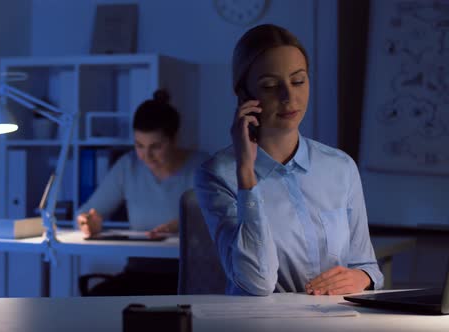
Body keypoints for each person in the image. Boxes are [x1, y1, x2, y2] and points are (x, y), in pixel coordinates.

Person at [194, 24, 383, 296]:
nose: (289, 97)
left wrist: (360, 277)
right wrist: (246, 174)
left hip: (335, 321)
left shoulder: (340, 167)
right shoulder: (217, 174)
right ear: (245, 95)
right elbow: (256, 283)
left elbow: (368, 266)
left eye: (298, 81)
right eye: (270, 86)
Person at [76, 89, 208, 296]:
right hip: (139, 272)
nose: (146, 156)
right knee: (94, 301)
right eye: (139, 145)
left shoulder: (201, 168)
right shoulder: (128, 166)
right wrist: (88, 221)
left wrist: (187, 223)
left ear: (174, 139)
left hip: (186, 276)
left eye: (156, 146)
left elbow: (222, 223)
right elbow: (89, 211)